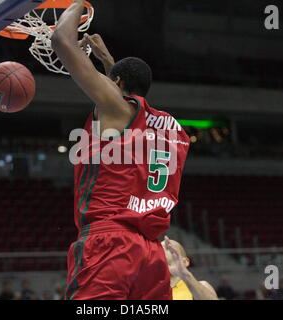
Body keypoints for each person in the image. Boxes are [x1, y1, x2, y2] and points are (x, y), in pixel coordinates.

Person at [51, 0, 190, 300]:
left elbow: (61, 41)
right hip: (152, 253)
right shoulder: (175, 129)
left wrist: (78, 5)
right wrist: (108, 62)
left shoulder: (117, 109)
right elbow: (133, 116)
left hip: (110, 242)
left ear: (115, 83)